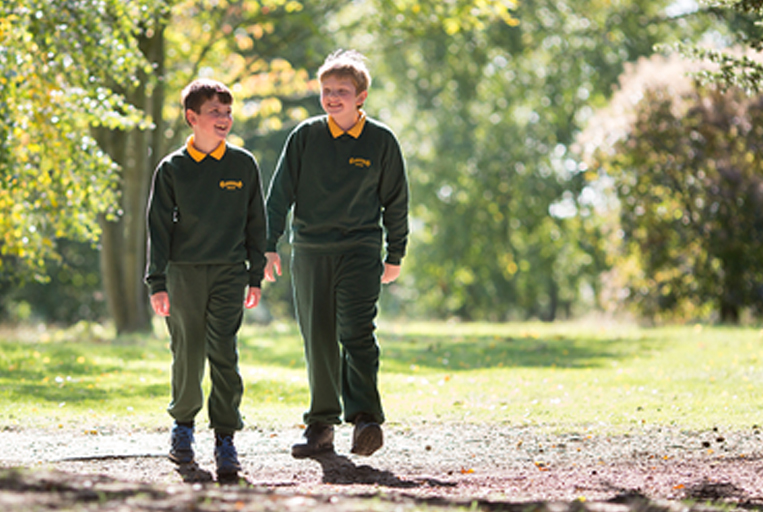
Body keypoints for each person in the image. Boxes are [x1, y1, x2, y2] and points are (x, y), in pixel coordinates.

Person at [264, 49, 409, 458]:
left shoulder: (381, 141)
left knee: (357, 332)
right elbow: (279, 195)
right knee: (319, 337)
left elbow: (396, 201)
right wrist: (268, 245)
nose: (331, 97)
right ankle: (321, 425)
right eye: (326, 90)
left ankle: (366, 419)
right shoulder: (305, 137)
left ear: (361, 96)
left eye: (341, 91)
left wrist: (395, 253)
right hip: (310, 251)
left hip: (360, 251)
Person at [144, 78, 267, 480]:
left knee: (224, 353)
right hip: (183, 275)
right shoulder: (172, 169)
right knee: (187, 352)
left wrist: (254, 276)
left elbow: (256, 222)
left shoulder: (243, 165)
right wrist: (157, 281)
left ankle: (225, 438)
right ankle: (182, 427)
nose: (224, 119)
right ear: (192, 117)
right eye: (215, 111)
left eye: (228, 112)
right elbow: (158, 228)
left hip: (230, 273)